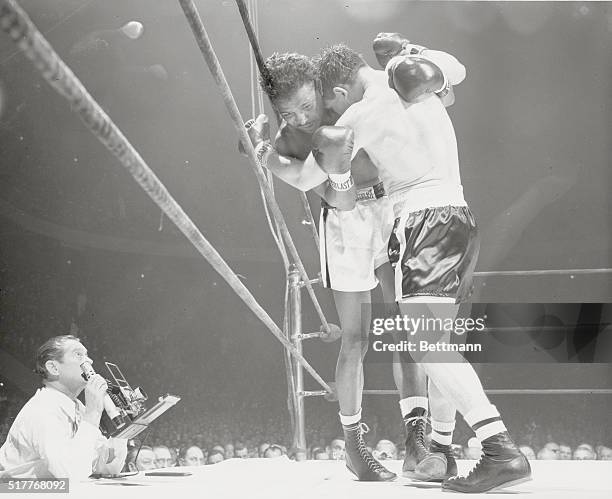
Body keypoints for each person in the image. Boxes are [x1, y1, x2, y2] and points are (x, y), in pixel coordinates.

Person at [312, 42, 531, 493]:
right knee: (439, 344)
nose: (332, 112)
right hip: (459, 215)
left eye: (330, 103)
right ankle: (444, 449)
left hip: (422, 220)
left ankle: (500, 449)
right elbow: (457, 70)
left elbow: (325, 186)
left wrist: (272, 153)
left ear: (338, 88)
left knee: (428, 346)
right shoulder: (408, 73)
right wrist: (415, 50)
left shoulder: (354, 118)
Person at [245, 42, 461, 481]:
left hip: (394, 209)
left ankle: (417, 438)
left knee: (406, 328)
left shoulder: (352, 98)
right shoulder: (291, 137)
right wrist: (265, 152)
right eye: (289, 113)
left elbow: (443, 94)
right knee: (355, 338)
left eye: (306, 105)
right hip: (345, 225)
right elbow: (329, 193)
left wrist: (417, 61)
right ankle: (354, 445)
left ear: (320, 88)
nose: (302, 117)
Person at [0, 335, 127, 480]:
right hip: (13, 491)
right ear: (53, 367)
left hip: (46, 491)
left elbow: (107, 467)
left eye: (87, 355)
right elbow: (70, 474)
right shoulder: (43, 408)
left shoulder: (77, 407)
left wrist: (124, 432)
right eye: (78, 354)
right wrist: (93, 413)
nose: (89, 361)